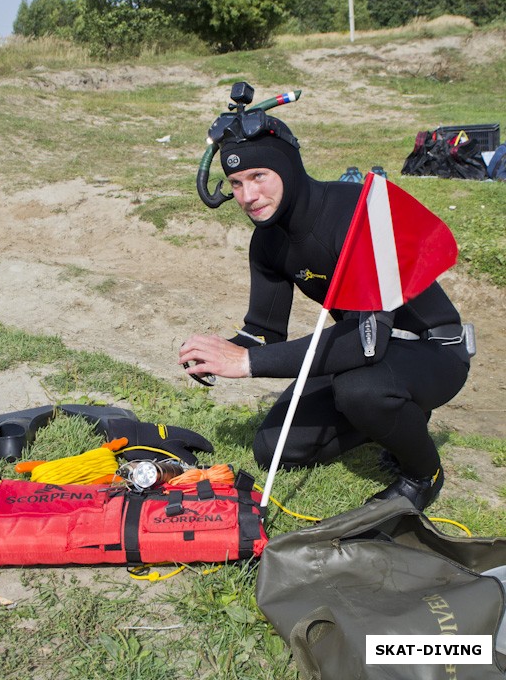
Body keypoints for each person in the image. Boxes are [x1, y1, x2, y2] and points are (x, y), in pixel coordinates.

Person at [178, 90, 471, 511]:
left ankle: (423, 474)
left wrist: (244, 365)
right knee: (275, 447)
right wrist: (219, 351)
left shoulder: (355, 213)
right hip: (364, 347)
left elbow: (364, 344)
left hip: (430, 348)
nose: (247, 196)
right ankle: (394, 419)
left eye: (259, 176)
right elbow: (263, 331)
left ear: (289, 168)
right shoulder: (267, 242)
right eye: (236, 183)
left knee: (360, 389)